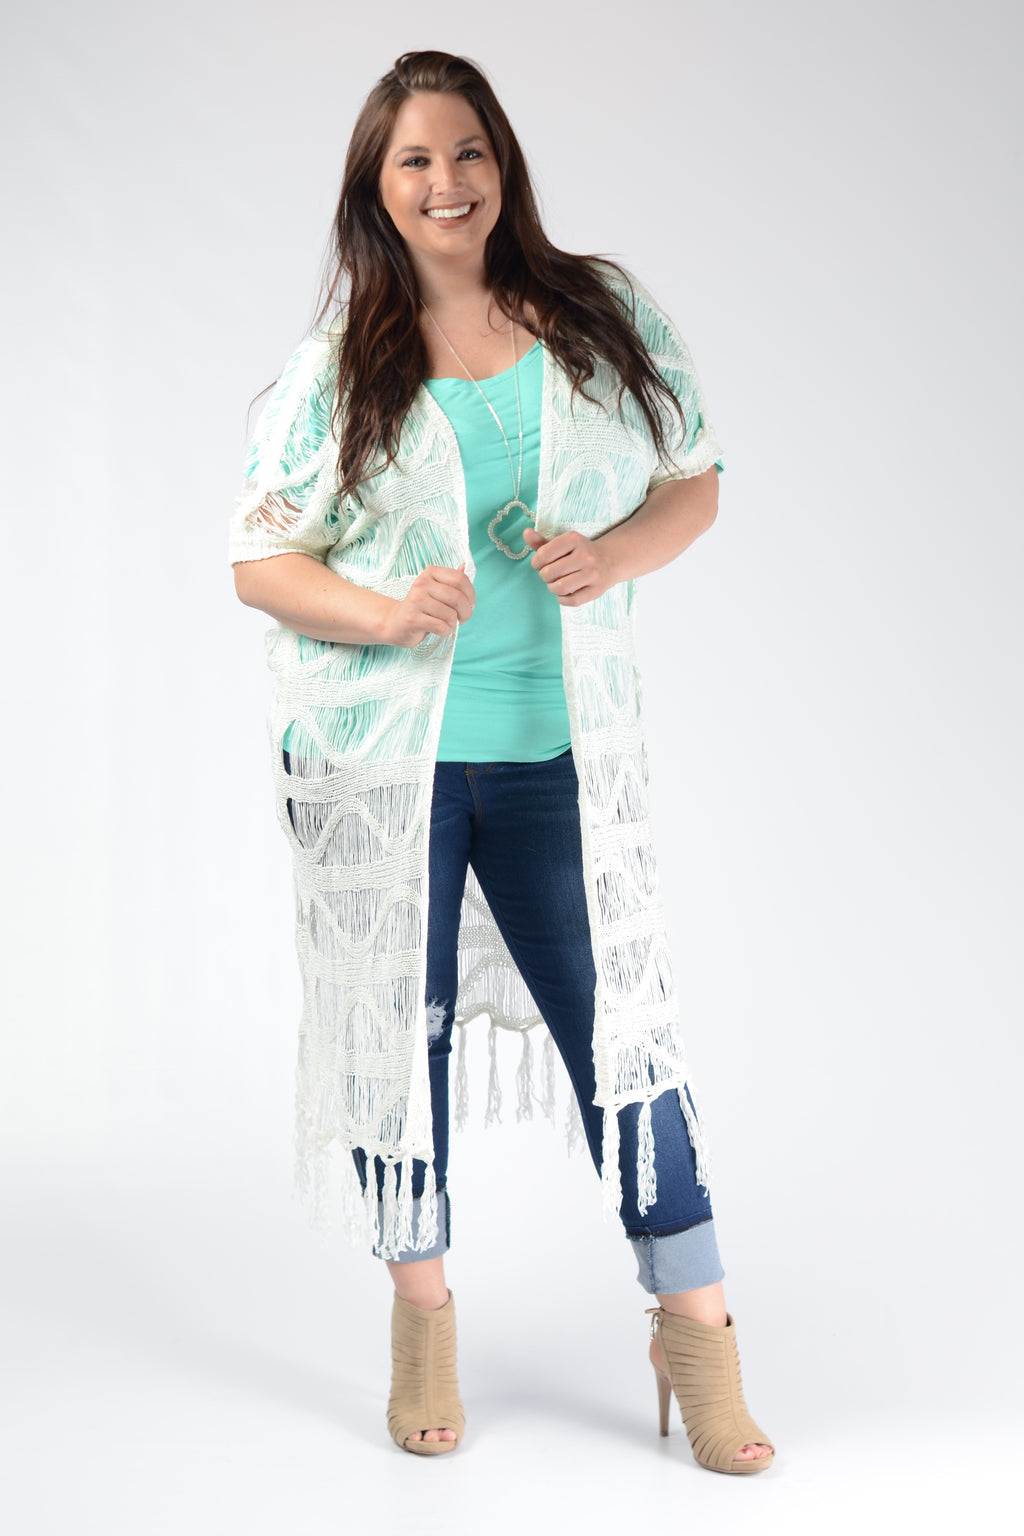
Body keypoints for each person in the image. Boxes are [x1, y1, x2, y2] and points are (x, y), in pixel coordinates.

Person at [230, 50, 774, 1472]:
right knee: (395, 1048)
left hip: (553, 760)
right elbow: (261, 560)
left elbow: (697, 480)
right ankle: (423, 1323)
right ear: (377, 188)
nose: (446, 181)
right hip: (386, 776)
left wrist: (611, 555)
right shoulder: (340, 368)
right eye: (414, 160)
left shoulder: (597, 317)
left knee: (624, 1038)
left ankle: (697, 1331)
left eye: (467, 151)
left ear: (503, 162)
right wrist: (386, 611)